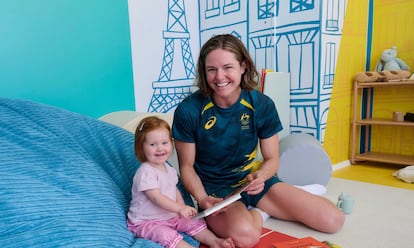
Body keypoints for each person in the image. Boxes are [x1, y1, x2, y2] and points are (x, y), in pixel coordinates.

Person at [172, 34, 345, 248]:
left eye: (228, 67)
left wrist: (261, 177)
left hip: (253, 183)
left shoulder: (261, 104)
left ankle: (261, 208)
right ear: (204, 71)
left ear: (243, 67)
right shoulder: (189, 110)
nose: (219, 77)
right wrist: (203, 198)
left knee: (334, 220)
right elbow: (187, 167)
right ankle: (259, 214)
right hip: (215, 192)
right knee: (246, 238)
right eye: (211, 70)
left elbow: (272, 158)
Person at [127, 116, 235, 248]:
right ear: (141, 147)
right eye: (152, 145)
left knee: (192, 222)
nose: (160, 148)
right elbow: (156, 197)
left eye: (164, 143)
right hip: (146, 221)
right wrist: (179, 208)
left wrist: (183, 208)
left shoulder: (168, 169)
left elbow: (174, 190)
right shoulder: (146, 172)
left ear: (171, 143)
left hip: (170, 216)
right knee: (165, 234)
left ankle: (215, 242)